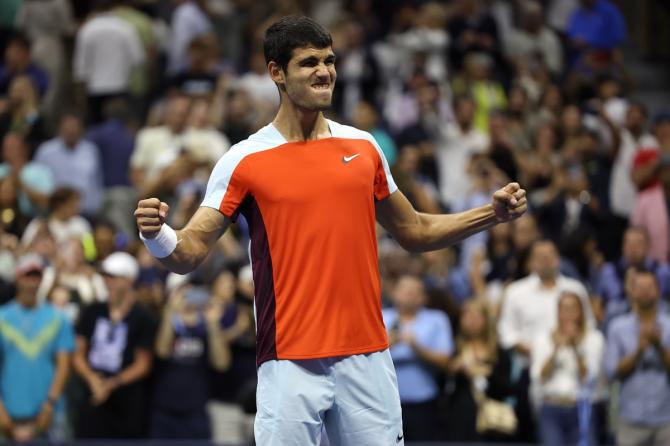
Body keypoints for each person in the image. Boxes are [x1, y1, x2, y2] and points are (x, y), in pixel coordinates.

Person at [134, 15, 527, 446]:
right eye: (309, 63)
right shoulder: (242, 160)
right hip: (289, 363)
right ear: (276, 73)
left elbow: (414, 230)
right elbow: (189, 251)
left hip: (368, 357)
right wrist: (158, 235)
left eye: (329, 60)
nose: (324, 72)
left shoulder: (364, 147)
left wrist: (491, 214)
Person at [72, 251, 157, 439]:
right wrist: (92, 379)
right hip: (92, 398)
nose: (107, 283)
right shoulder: (92, 311)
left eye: (113, 278)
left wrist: (112, 384)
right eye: (105, 277)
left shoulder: (143, 318)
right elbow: (78, 353)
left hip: (126, 405)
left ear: (129, 280)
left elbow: (143, 364)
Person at [0, 254, 74, 442]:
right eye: (27, 276)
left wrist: (49, 404)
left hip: (50, 414)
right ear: (18, 277)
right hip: (9, 411)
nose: (32, 283)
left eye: (36, 277)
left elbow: (64, 365)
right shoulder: (2, 317)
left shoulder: (58, 318)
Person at [151, 281, 230, 439]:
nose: (188, 299)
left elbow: (222, 363)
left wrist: (213, 324)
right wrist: (170, 313)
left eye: (193, 293)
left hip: (196, 409)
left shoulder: (207, 324)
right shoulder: (165, 321)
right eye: (183, 293)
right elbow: (162, 351)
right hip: (165, 409)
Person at [382, 274, 453, 441]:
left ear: (424, 297)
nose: (410, 294)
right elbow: (363, 356)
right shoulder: (380, 316)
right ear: (394, 293)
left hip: (424, 401)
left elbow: (446, 360)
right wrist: (389, 343)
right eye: (406, 290)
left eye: (416, 291)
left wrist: (417, 347)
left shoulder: (436, 319)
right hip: (385, 402)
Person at [604, 269, 670, 446]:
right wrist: (638, 352)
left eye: (649, 287)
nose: (645, 291)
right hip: (630, 418)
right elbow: (611, 372)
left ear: (658, 290)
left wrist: (659, 347)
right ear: (631, 291)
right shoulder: (618, 327)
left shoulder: (669, 326)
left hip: (666, 418)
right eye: (640, 287)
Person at [531, 291, 604, 446]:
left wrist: (575, 347)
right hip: (551, 407)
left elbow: (589, 377)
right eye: (564, 309)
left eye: (573, 308)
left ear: (581, 311)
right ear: (558, 312)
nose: (568, 314)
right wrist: (555, 349)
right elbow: (539, 376)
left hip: (581, 407)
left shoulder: (594, 339)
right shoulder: (543, 339)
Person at [444, 299, 514, 442]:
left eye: (475, 316)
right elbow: (443, 384)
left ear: (486, 320)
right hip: (461, 417)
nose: (470, 321)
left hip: (491, 420)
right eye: (466, 316)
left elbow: (508, 388)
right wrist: (454, 369)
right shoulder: (454, 348)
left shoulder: (498, 352)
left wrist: (487, 372)